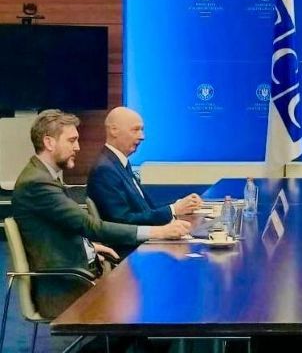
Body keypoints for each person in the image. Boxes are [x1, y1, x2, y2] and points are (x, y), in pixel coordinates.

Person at [12, 109, 191, 318]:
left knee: (156, 292)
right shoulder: (37, 183)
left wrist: (89, 246)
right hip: (65, 288)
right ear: (49, 143)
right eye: (72, 140)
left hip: (75, 273)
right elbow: (90, 226)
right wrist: (158, 232)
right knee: (153, 297)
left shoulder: (43, 177)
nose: (78, 147)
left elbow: (59, 228)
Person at [87, 107, 203, 226]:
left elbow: (145, 208)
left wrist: (181, 205)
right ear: (114, 130)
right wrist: (173, 210)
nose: (142, 136)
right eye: (135, 130)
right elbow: (122, 221)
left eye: (142, 130)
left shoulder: (119, 163)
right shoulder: (104, 170)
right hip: (137, 238)